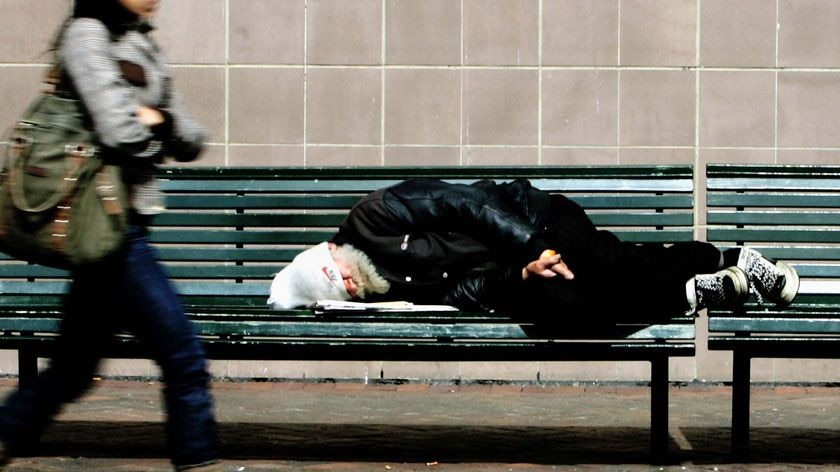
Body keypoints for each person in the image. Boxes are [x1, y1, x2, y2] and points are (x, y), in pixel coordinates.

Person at [0, 1, 221, 470]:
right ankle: (197, 458)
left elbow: (191, 136)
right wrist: (153, 122)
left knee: (72, 370)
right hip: (110, 226)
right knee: (184, 358)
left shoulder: (140, 39)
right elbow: (119, 130)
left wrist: (156, 121)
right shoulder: (85, 34)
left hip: (121, 226)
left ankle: (7, 433)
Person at [268, 177, 799, 323]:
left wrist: (535, 248)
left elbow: (464, 205)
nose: (354, 285)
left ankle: (729, 261)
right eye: (346, 294)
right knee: (569, 308)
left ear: (331, 253)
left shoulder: (372, 215)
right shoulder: (387, 289)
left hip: (535, 218)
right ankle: (698, 289)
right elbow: (464, 291)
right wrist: (521, 279)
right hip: (521, 268)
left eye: (339, 275)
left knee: (598, 263)